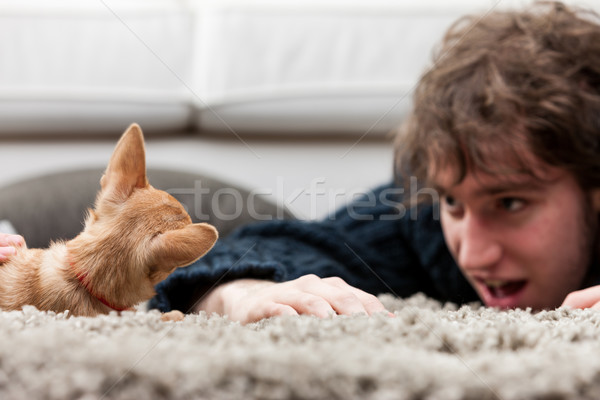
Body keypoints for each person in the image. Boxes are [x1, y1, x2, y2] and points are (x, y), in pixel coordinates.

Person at [5, 1, 600, 323]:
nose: (473, 251)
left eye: (511, 203)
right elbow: (286, 243)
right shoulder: (421, 220)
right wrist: (233, 291)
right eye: (454, 203)